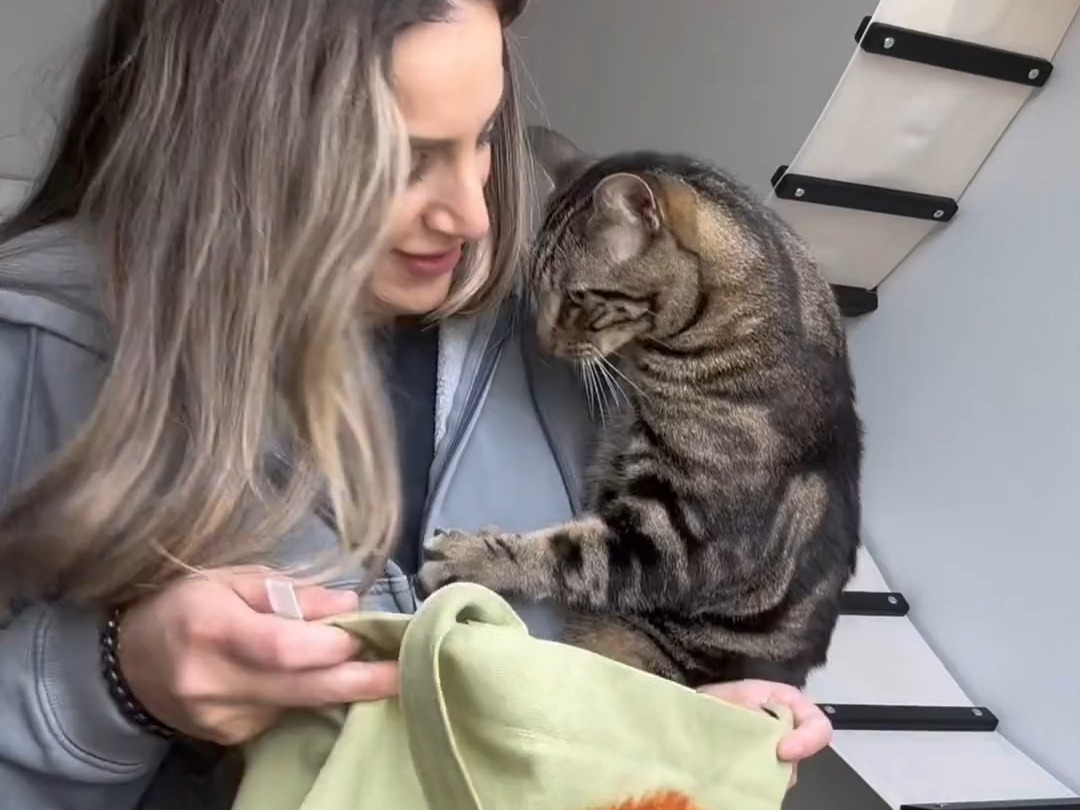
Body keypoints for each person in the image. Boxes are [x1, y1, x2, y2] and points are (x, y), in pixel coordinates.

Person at [0, 1, 832, 808]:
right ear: (230, 144)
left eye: (484, 137)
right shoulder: (36, 348)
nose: (471, 214)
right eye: (400, 162)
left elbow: (558, 691)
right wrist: (116, 684)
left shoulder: (570, 353)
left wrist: (667, 731)